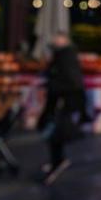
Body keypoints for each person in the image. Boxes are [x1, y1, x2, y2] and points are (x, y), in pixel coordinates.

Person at [38, 32, 85, 185]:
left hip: (61, 102)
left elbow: (70, 80)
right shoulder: (62, 55)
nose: (54, 40)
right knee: (52, 131)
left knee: (54, 132)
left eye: (57, 38)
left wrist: (51, 85)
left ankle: (57, 162)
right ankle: (57, 160)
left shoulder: (66, 56)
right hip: (59, 102)